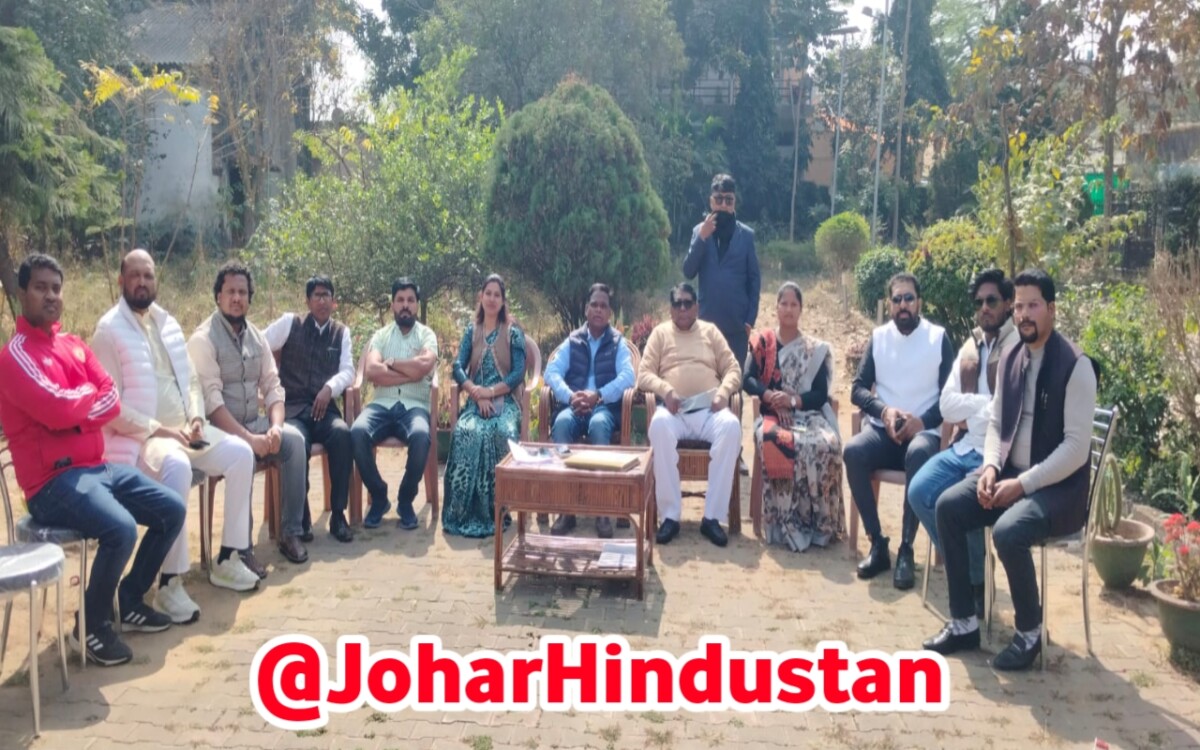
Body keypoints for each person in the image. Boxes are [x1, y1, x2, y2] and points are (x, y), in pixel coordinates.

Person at [0, 253, 185, 666]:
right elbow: (55, 409)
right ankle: (89, 626)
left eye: (56, 288)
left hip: (96, 469)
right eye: (40, 287)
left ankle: (130, 599)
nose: (51, 296)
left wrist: (76, 406)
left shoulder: (74, 345)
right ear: (22, 293)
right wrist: (85, 402)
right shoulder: (14, 356)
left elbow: (111, 397)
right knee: (121, 528)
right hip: (52, 484)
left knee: (171, 509)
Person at [921, 269, 1098, 671]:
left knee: (1007, 531)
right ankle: (964, 622)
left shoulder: (1076, 366)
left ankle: (1029, 633)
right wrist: (989, 467)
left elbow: (1075, 450)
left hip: (1059, 491)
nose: (1024, 314)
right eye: (1018, 306)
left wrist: (1023, 484)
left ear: (1051, 309)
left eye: (1033, 305)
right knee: (948, 506)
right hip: (1010, 474)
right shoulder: (1013, 358)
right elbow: (998, 422)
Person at [93, 250, 260, 613]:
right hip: (145, 439)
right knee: (178, 467)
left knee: (241, 453)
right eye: (135, 276)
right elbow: (110, 407)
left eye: (148, 276)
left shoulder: (167, 322)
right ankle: (170, 582)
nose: (142, 282)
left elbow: (192, 382)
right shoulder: (108, 331)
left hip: (187, 431)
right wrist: (160, 430)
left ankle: (228, 557)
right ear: (121, 281)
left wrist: (197, 417)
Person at [907, 268, 1018, 618]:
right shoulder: (970, 348)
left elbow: (1009, 412)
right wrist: (984, 407)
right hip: (964, 446)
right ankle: (972, 570)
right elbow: (946, 406)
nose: (984, 308)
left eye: (992, 301)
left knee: (960, 505)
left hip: (998, 456)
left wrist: (972, 412)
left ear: (1008, 304)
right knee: (919, 492)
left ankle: (974, 585)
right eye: (979, 302)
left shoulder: (1018, 349)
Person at [188, 260, 309, 569]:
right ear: (218, 296)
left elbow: (272, 386)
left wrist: (276, 428)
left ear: (249, 298)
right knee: (243, 453)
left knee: (295, 441)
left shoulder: (257, 337)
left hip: (255, 422)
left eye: (242, 292)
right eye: (230, 292)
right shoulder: (203, 339)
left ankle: (290, 532)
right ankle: (242, 548)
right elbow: (212, 404)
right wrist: (250, 439)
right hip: (219, 431)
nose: (237, 298)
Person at [845, 272, 955, 588]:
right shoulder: (879, 338)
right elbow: (857, 389)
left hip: (924, 435)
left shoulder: (938, 338)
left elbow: (951, 398)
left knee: (919, 454)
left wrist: (922, 421)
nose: (903, 305)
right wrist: (884, 411)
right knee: (853, 452)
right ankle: (878, 543)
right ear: (890, 304)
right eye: (897, 299)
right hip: (884, 432)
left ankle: (906, 549)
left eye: (908, 298)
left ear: (919, 302)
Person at [638, 283, 743, 547]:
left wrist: (723, 393)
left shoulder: (711, 332)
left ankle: (712, 517)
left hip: (709, 411)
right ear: (670, 309)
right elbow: (643, 374)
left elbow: (733, 369)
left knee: (731, 427)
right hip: (675, 412)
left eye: (688, 303)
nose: (683, 308)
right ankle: (670, 516)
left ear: (696, 306)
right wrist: (666, 390)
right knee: (658, 426)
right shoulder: (660, 334)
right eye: (677, 303)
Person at [743, 282, 844, 552]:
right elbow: (747, 379)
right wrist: (769, 397)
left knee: (825, 444)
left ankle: (819, 525)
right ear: (776, 308)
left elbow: (820, 394)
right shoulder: (763, 343)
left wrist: (792, 401)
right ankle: (782, 524)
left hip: (808, 415)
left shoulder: (813, 350)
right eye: (784, 304)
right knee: (776, 440)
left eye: (794, 304)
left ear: (801, 309)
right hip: (772, 416)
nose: (788, 309)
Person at [264, 275, 356, 543]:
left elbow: (348, 371)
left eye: (327, 295)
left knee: (342, 434)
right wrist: (269, 379)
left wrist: (329, 388)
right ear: (307, 300)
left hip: (324, 412)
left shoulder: (341, 333)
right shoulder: (289, 324)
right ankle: (301, 514)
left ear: (334, 301)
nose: (322, 301)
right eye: (317, 295)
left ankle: (338, 514)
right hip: (292, 410)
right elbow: (258, 344)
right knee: (296, 442)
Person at [543, 283, 636, 538]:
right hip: (573, 406)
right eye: (594, 305)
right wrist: (570, 396)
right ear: (586, 309)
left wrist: (599, 395)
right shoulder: (573, 340)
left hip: (603, 408)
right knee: (561, 424)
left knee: (598, 426)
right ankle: (566, 509)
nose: (598, 310)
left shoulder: (618, 343)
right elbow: (551, 372)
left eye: (603, 306)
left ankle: (602, 509)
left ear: (610, 313)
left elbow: (628, 377)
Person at [350, 277, 437, 531]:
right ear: (392, 305)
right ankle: (379, 496)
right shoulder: (381, 335)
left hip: (415, 405)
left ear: (417, 305)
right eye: (400, 300)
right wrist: (411, 371)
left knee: (421, 435)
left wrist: (392, 363)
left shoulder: (426, 335)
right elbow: (372, 371)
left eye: (410, 300)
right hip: (382, 404)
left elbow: (424, 366)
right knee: (357, 432)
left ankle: (405, 500)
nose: (405, 305)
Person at [443, 274, 526, 538]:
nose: (491, 299)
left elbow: (518, 373)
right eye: (488, 293)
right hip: (476, 402)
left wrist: (491, 392)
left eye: (497, 295)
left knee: (501, 432)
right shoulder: (472, 331)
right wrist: (476, 393)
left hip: (505, 402)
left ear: (503, 301)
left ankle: (500, 508)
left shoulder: (513, 333)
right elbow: (458, 366)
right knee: (466, 432)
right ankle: (462, 511)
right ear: (481, 297)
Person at [682, 173, 762, 364]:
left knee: (733, 381)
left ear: (734, 202)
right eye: (719, 200)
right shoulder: (699, 232)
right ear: (711, 201)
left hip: (737, 328)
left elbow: (754, 281)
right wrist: (702, 238)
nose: (724, 205)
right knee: (706, 378)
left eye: (729, 200)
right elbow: (688, 271)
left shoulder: (746, 236)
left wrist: (749, 321)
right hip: (706, 325)